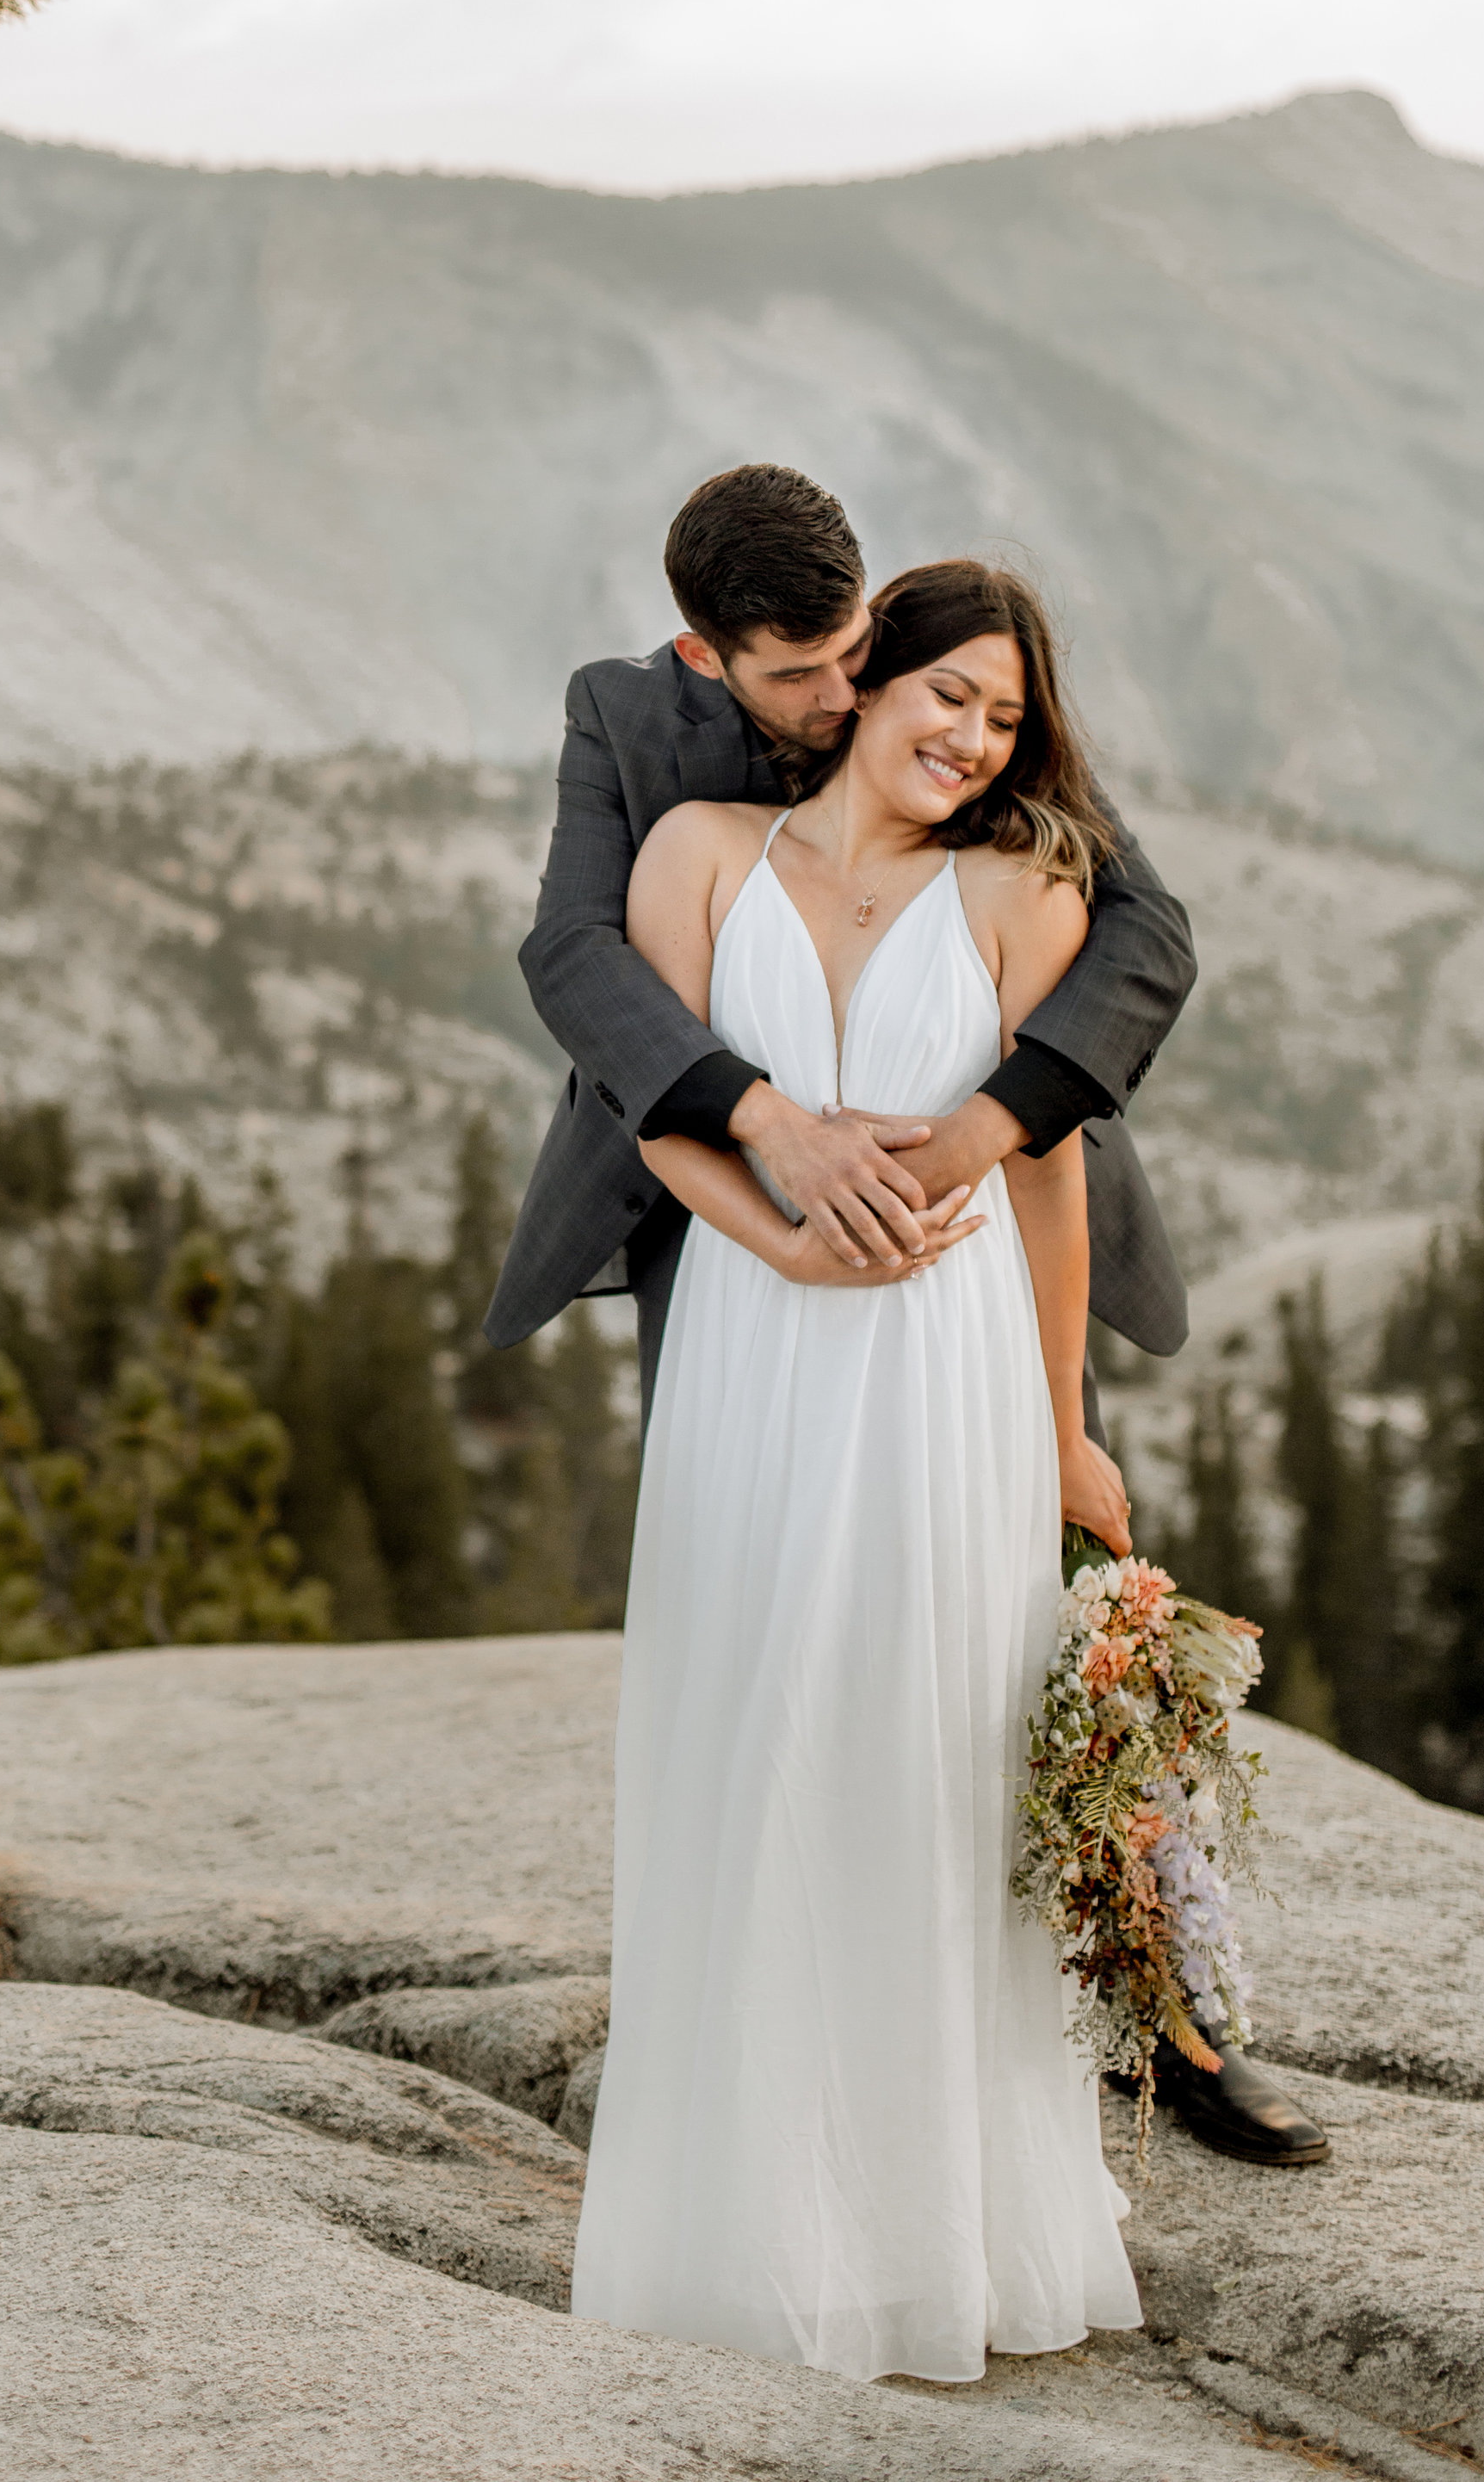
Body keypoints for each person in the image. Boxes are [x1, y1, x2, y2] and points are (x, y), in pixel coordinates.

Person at [489, 467, 1327, 2173]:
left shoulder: (950, 683)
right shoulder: (634, 736)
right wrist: (765, 1132)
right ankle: (758, 2035)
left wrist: (980, 1135)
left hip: (979, 1235)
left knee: (1048, 1644)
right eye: (791, 677)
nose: (832, 700)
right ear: (701, 657)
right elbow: (574, 958)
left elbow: (1141, 926)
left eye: (849, 655)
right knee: (772, 1625)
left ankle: (1170, 2017)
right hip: (732, 1248)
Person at [567, 558, 1166, 2379]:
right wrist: (771, 1235)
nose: (968, 737)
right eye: (945, 695)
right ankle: (739, 2232)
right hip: (755, 1346)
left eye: (1002, 716)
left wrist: (1058, 1421)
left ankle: (928, 2243)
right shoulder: (687, 855)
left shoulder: (1021, 889)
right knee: (748, 1734)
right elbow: (641, 1107)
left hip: (942, 1364)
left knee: (925, 1755)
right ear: (866, 683)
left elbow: (1045, 1167)